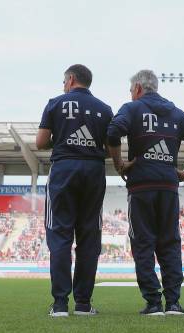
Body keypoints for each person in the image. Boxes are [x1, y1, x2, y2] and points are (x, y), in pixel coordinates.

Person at [107, 69, 184, 316]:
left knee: (143, 244)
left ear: (139, 88)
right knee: (170, 243)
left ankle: (153, 303)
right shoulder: (175, 113)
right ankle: (173, 302)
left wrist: (120, 165)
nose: (131, 95)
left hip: (141, 187)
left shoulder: (132, 109)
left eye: (131, 91)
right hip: (168, 187)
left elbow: (112, 133)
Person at [36, 64, 113, 317]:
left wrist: (61, 140)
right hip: (93, 171)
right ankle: (83, 303)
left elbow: (40, 142)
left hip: (64, 170)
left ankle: (59, 304)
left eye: (63, 81)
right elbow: (111, 144)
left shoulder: (55, 103)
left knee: (60, 237)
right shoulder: (105, 109)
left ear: (70, 80)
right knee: (89, 239)